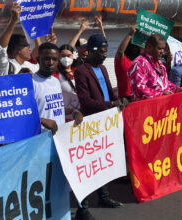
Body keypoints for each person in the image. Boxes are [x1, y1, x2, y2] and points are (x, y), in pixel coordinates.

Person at [74, 33, 125, 220]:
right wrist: (110, 105)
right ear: (92, 50)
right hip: (91, 123)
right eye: (102, 51)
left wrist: (115, 100)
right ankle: (82, 208)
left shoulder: (103, 68)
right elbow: (85, 101)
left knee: (103, 163)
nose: (105, 55)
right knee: (88, 167)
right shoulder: (81, 71)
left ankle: (103, 198)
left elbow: (109, 92)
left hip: (106, 122)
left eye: (106, 51)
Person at [33, 42, 82, 135]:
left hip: (59, 137)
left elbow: (56, 108)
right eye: (47, 59)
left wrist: (72, 111)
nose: (51, 62)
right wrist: (42, 120)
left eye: (54, 59)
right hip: (40, 139)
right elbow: (21, 114)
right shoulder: (32, 82)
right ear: (38, 59)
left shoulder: (56, 81)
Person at [128, 34, 182, 101]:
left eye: (163, 49)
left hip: (162, 107)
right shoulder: (139, 63)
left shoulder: (160, 64)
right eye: (159, 48)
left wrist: (176, 89)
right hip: (145, 108)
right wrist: (160, 94)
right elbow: (139, 89)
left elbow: (165, 84)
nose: (162, 52)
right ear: (149, 47)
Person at [0, 3, 39, 75]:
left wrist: (36, 30)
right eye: (26, 45)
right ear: (17, 49)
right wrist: (13, 20)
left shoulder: (30, 66)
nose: (30, 49)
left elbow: (42, 61)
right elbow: (0, 48)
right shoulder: (5, 67)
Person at [114, 25, 141, 100]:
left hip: (137, 97)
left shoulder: (138, 62)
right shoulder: (122, 60)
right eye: (135, 47)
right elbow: (120, 51)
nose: (137, 49)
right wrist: (130, 34)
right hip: (125, 98)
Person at [56, 44, 80, 121]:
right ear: (59, 57)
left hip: (82, 115)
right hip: (66, 118)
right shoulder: (55, 74)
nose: (66, 58)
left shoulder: (79, 71)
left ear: (73, 56)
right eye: (63, 55)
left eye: (68, 55)